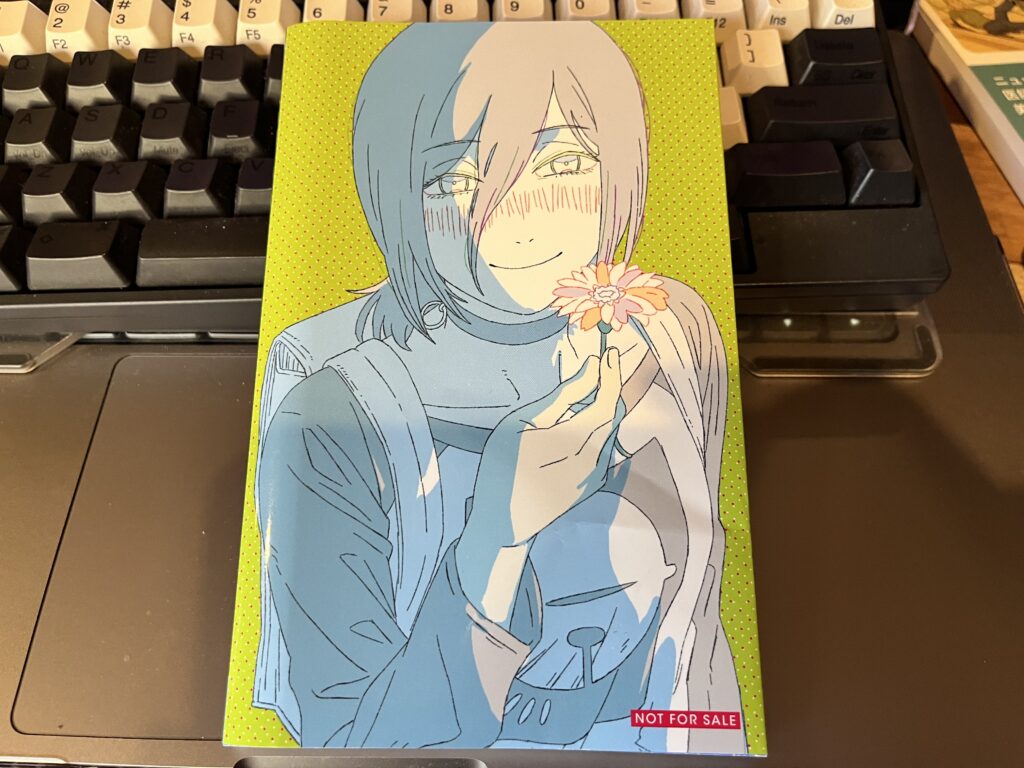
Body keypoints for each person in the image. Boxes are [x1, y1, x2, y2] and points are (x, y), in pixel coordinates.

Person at [253, 21, 746, 754]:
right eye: (456, 181)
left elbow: (699, 630)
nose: (515, 222)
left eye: (562, 164)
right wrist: (495, 537)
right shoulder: (331, 412)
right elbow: (345, 740)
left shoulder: (671, 327)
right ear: (396, 197)